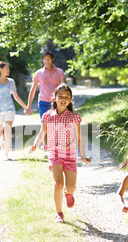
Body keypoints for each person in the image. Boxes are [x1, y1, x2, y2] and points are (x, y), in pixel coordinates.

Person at [29, 84, 90, 223]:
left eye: (67, 97)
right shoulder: (48, 116)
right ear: (55, 98)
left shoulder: (74, 117)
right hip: (54, 154)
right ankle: (59, 213)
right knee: (58, 184)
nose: (63, 99)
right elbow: (42, 132)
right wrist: (34, 145)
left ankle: (69, 194)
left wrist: (83, 155)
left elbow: (79, 137)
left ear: (70, 99)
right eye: (60, 96)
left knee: (71, 187)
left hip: (69, 156)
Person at [0, 61, 28, 160]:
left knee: (8, 130)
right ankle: (2, 146)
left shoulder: (11, 81)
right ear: (0, 69)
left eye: (9, 68)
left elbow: (16, 96)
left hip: (9, 108)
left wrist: (25, 107)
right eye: (7, 68)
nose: (8, 70)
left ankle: (6, 154)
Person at [26, 51, 65, 148]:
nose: (46, 61)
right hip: (43, 102)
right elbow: (32, 90)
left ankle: (56, 146)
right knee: (45, 126)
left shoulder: (59, 72)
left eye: (48, 59)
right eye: (44, 59)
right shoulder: (39, 73)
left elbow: (64, 88)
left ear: (52, 59)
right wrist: (28, 106)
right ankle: (47, 149)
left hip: (56, 103)